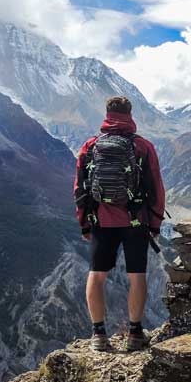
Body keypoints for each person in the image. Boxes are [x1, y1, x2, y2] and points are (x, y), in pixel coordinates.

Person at [73, 96, 166, 352]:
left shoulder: (90, 146)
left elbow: (80, 189)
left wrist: (84, 223)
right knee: (137, 276)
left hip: (101, 220)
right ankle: (135, 333)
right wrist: (155, 224)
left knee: (97, 275)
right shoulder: (143, 147)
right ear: (130, 114)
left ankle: (98, 335)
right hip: (136, 220)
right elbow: (156, 188)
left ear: (107, 114)